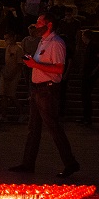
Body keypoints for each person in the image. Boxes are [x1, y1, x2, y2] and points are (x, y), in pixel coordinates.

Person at [11, 10, 80, 177]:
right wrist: (32, 63)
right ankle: (28, 163)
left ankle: (70, 163)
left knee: (53, 127)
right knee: (33, 128)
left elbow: (59, 69)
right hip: (37, 89)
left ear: (49, 25)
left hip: (47, 90)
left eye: (39, 23)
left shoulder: (56, 43)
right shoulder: (43, 42)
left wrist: (35, 64)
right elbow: (39, 64)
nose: (36, 26)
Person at [0, 30, 24, 122]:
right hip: (6, 73)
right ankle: (3, 115)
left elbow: (20, 64)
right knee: (3, 95)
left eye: (7, 38)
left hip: (14, 74)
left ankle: (21, 113)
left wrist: (12, 74)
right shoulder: (7, 47)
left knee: (11, 95)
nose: (6, 40)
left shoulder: (18, 49)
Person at [79, 29, 99, 125]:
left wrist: (94, 70)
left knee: (86, 95)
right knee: (85, 95)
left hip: (90, 73)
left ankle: (87, 117)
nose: (82, 38)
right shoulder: (88, 46)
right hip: (87, 72)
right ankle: (85, 117)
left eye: (83, 35)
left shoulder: (93, 46)